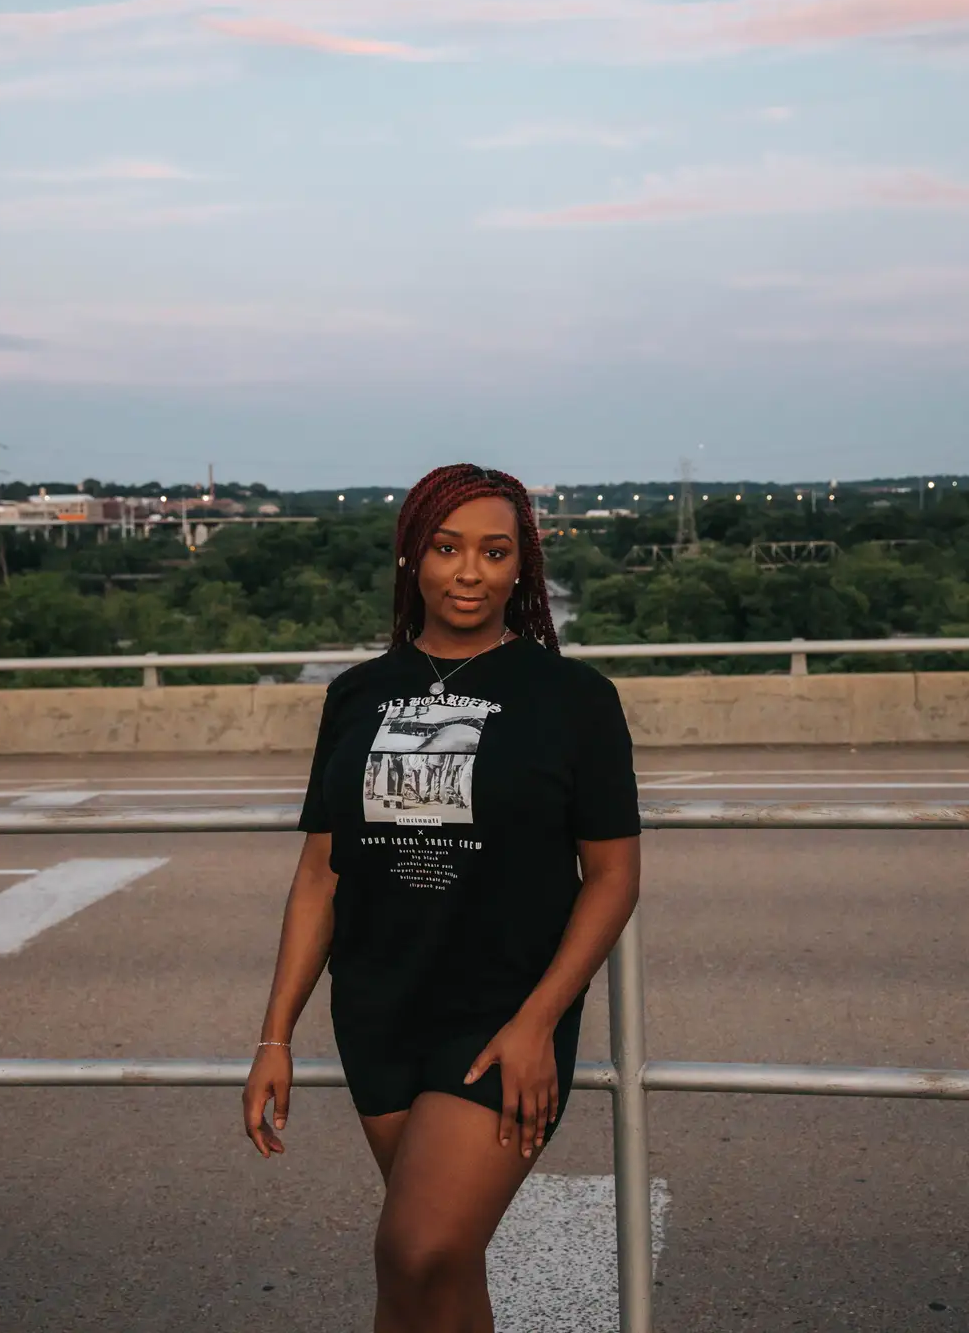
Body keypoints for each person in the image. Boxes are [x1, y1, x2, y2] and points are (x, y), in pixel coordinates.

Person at [243, 461, 642, 1333]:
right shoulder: (356, 695)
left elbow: (612, 879)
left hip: (501, 1014)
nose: (471, 572)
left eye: (495, 553)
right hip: (381, 1007)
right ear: (410, 558)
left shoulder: (573, 699)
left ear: (522, 568)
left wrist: (539, 1020)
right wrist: (276, 1033)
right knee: (439, 1271)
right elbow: (321, 871)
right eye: (447, 547)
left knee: (415, 1249)